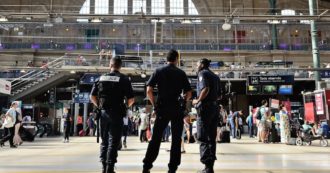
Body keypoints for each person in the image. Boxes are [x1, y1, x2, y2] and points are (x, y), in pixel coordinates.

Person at [142, 49, 192, 173]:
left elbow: (149, 90)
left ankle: (147, 166)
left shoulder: (159, 71)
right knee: (176, 140)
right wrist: (184, 102)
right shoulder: (181, 73)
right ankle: (172, 169)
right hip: (176, 108)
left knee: (156, 138)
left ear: (167, 59)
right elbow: (189, 92)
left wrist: (154, 105)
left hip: (162, 108)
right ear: (176, 59)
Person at [90, 56, 135, 173]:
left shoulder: (101, 78)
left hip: (103, 113)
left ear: (110, 65)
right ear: (120, 66)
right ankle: (110, 168)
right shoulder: (124, 79)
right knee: (114, 142)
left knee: (104, 141)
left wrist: (99, 106)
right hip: (117, 113)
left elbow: (92, 96)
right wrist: (125, 107)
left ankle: (103, 167)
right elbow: (131, 100)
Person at [192, 58, 221, 173]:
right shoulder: (215, 76)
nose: (196, 65)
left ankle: (207, 165)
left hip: (205, 108)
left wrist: (197, 100)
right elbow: (219, 95)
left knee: (202, 137)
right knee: (211, 138)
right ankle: (210, 167)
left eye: (197, 63)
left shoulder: (202, 73)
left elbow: (206, 89)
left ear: (202, 64)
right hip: (214, 108)